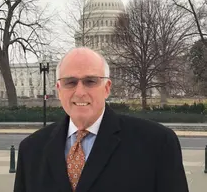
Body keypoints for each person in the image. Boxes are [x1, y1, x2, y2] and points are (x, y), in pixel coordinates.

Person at [14, 47, 189, 192]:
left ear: (106, 88)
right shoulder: (31, 150)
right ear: (59, 89)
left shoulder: (157, 144)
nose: (80, 92)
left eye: (90, 81)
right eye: (70, 82)